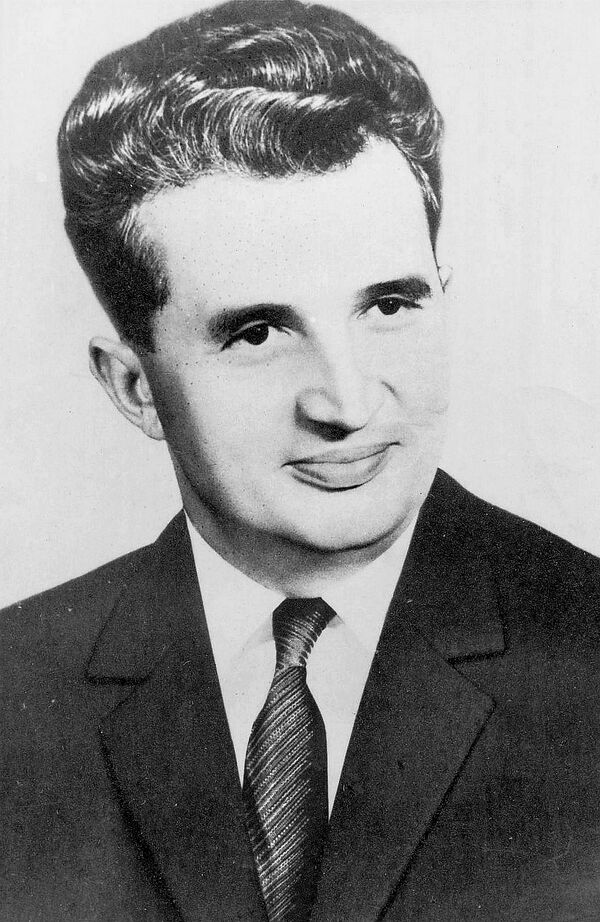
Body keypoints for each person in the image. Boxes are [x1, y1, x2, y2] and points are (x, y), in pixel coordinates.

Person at [1, 1, 599, 920]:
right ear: (133, 387)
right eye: (258, 332)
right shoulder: (14, 690)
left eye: (389, 307)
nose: (347, 405)